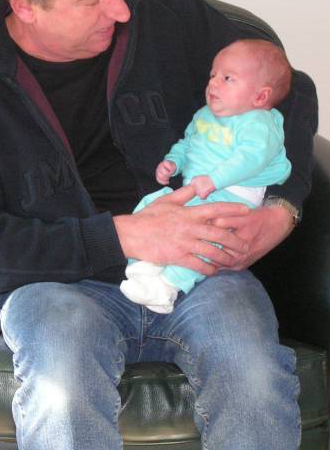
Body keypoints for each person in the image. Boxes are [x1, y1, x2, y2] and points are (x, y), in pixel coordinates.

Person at [0, 0, 318, 450]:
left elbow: (288, 92)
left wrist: (282, 207)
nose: (121, 8)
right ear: (25, 6)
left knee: (253, 378)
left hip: (199, 268)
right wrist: (125, 236)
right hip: (55, 286)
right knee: (61, 395)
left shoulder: (159, 7)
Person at [121, 38, 292, 313]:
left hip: (234, 196)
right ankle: (143, 265)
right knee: (151, 205)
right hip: (197, 190)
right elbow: (188, 143)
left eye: (228, 78)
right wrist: (173, 163)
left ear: (260, 97)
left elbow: (251, 158)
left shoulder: (259, 123)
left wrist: (214, 180)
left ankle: (168, 286)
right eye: (213, 75)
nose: (213, 83)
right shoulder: (204, 115)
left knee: (209, 238)